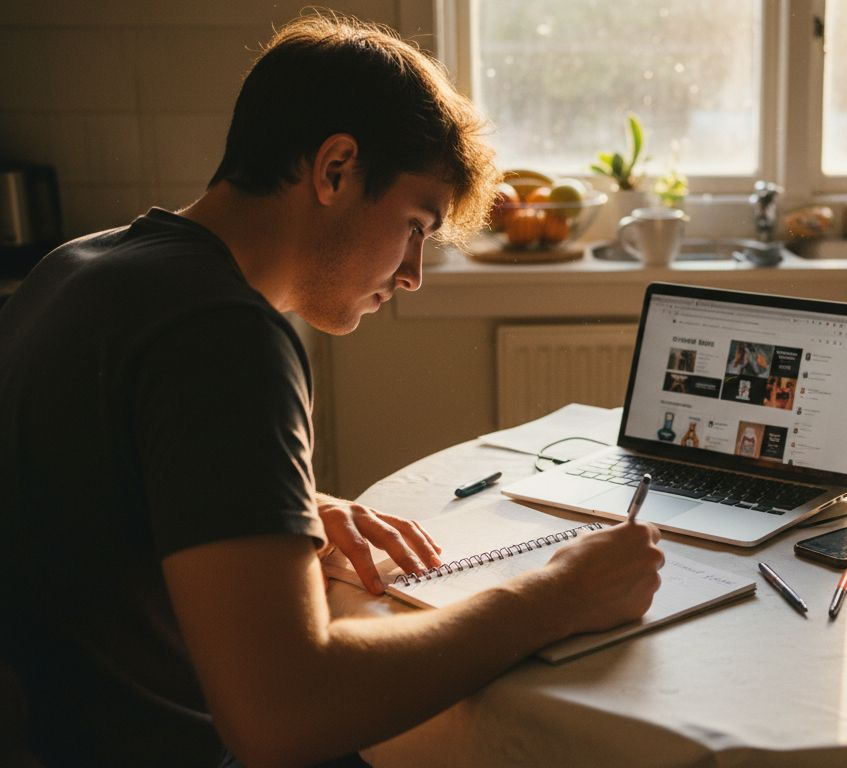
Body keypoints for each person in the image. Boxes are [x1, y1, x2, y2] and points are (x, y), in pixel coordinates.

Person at [0, 13, 663, 768]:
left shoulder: (74, 269)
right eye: (416, 223)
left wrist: (255, 504)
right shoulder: (222, 331)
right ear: (336, 169)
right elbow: (285, 716)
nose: (413, 273)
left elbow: (73, 499)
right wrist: (548, 600)